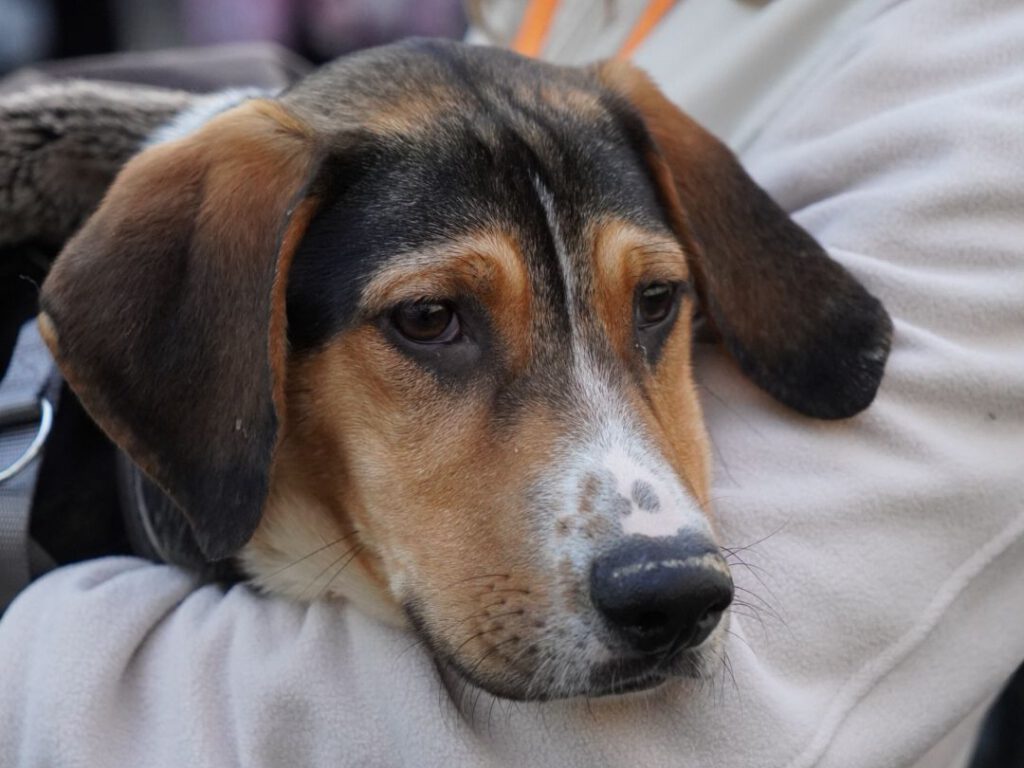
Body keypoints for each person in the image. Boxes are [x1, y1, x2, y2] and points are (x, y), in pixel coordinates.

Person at [1, 0, 1022, 765]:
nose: (653, 539)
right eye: (429, 319)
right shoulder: (535, 26)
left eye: (654, 300)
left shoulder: (977, 71)